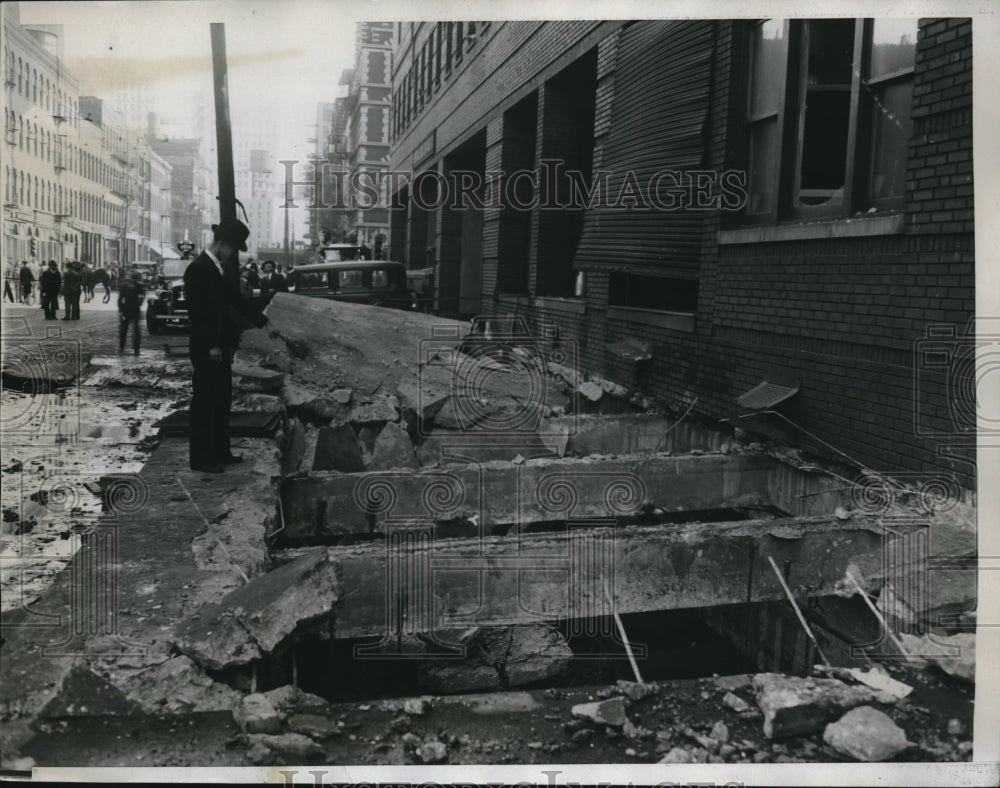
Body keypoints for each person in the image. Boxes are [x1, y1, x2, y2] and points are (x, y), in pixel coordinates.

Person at [183, 217, 269, 474]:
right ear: (221, 244)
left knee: (220, 401)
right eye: (232, 248)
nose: (233, 254)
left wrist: (264, 322)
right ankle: (201, 459)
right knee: (205, 402)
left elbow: (236, 301)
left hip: (220, 347)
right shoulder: (198, 268)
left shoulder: (216, 268)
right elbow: (197, 313)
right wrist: (212, 345)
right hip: (208, 348)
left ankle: (220, 451)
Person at [118, 270, 145, 356]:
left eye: (134, 279)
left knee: (135, 331)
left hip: (135, 310)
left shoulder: (139, 286)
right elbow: (120, 299)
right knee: (124, 330)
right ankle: (121, 346)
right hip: (126, 310)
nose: (133, 281)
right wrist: (121, 310)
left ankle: (136, 349)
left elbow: (143, 295)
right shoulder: (124, 286)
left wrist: (139, 302)